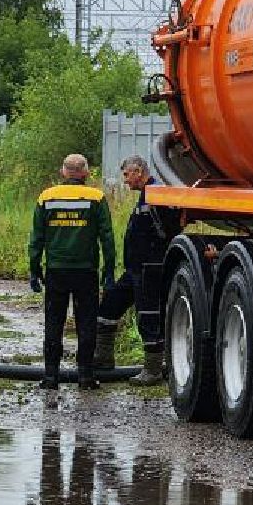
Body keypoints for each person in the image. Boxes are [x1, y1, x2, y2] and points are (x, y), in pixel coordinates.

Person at [27, 153, 115, 390]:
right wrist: (108, 272)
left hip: (56, 271)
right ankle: (85, 377)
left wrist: (34, 270)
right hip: (86, 272)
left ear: (63, 172)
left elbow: (37, 239)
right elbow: (106, 237)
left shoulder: (47, 197)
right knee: (86, 324)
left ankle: (50, 377)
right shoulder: (96, 198)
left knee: (53, 323)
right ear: (85, 173)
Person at [100, 155, 176, 385]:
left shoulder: (157, 195)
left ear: (139, 172)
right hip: (134, 269)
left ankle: (152, 370)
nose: (125, 181)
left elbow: (170, 229)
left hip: (149, 269)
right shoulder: (146, 196)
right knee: (109, 307)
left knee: (148, 317)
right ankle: (102, 358)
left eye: (127, 175)